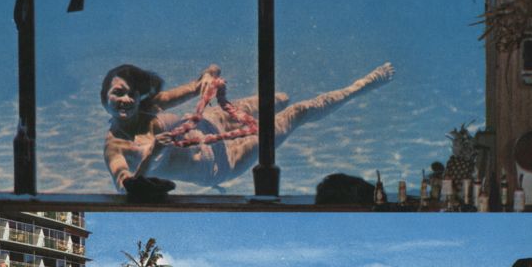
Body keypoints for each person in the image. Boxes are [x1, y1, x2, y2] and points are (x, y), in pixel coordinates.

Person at [101, 62, 394, 192]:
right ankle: (360, 87)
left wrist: (207, 78)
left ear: (140, 95)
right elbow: (128, 189)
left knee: (281, 98)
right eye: (117, 93)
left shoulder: (154, 103)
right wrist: (153, 154)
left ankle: (349, 92)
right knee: (299, 111)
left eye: (130, 93)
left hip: (213, 121)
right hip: (219, 163)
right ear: (105, 97)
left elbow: (212, 70)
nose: (125, 100)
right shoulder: (116, 147)